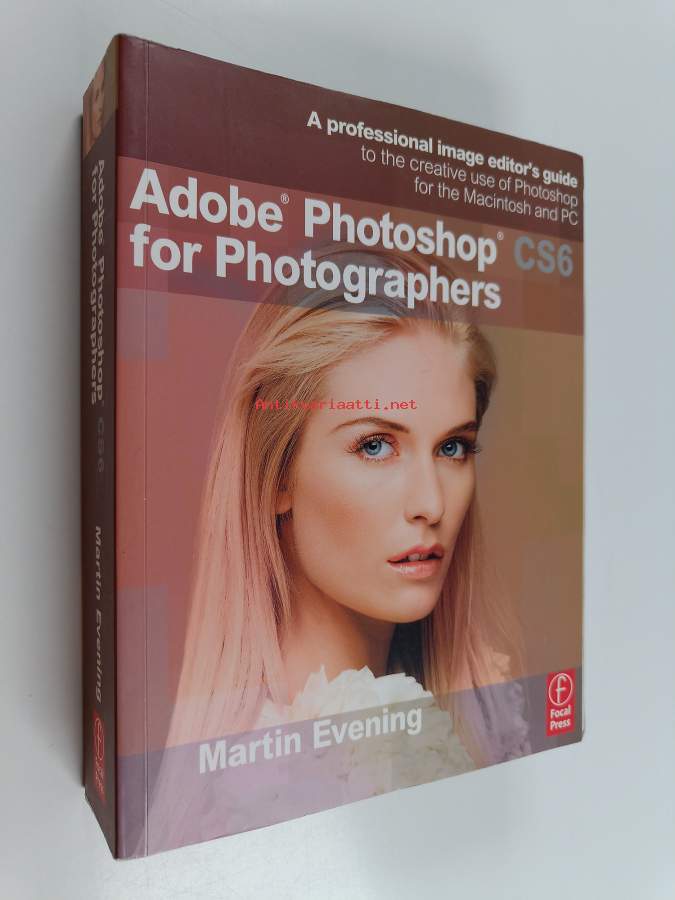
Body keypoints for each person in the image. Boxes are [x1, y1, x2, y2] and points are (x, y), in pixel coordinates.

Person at [164, 244, 531, 770]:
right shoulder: (264, 780)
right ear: (276, 473)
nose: (431, 505)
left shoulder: (475, 721)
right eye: (375, 446)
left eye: (453, 447)